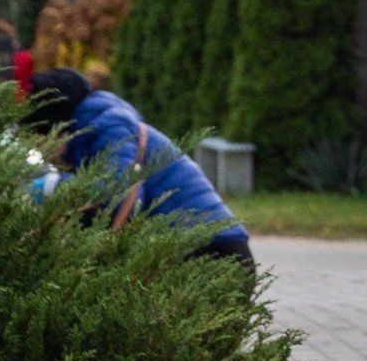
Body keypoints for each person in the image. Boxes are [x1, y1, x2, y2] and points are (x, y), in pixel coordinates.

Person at [22, 67, 253, 262]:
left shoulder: (110, 127)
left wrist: (50, 186)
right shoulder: (97, 129)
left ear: (57, 129)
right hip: (207, 251)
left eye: (38, 140)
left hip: (214, 255)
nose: (43, 153)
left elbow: (116, 194)